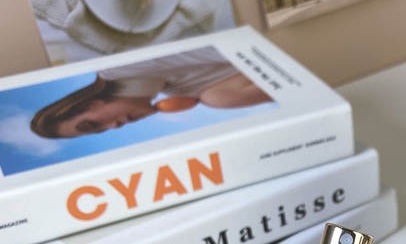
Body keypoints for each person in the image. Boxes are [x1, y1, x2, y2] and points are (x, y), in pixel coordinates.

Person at [31, 45, 272, 139]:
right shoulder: (185, 92)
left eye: (92, 124)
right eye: (100, 131)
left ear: (88, 105)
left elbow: (231, 42)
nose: (114, 127)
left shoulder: (120, 63)